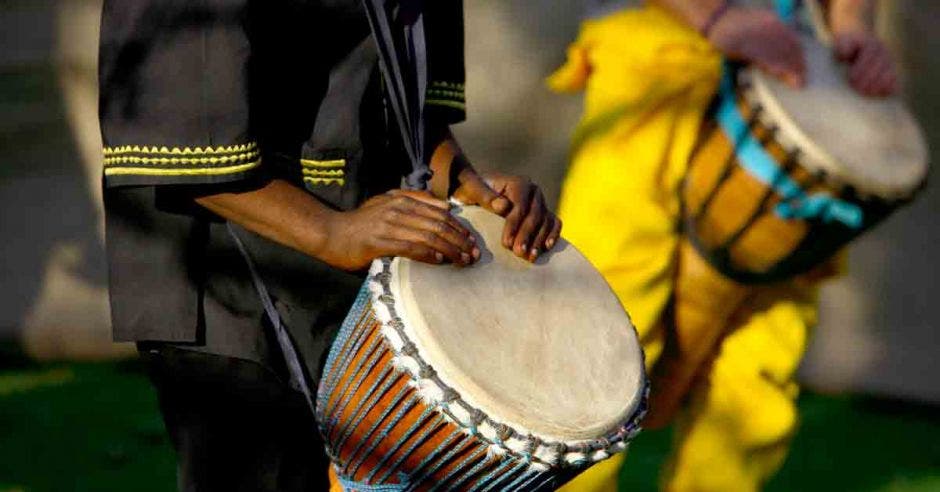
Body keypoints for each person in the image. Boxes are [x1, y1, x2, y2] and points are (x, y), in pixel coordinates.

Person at [98, 1, 560, 490]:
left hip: (351, 267)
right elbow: (173, 131)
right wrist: (333, 232)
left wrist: (466, 184)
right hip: (224, 277)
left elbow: (407, 101)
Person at [550, 0, 897, 490]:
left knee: (762, 356)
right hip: (656, 43)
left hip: (791, 69)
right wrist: (713, 16)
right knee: (604, 313)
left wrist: (853, 26)